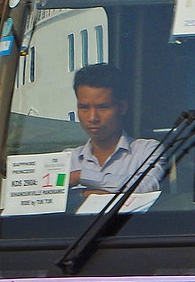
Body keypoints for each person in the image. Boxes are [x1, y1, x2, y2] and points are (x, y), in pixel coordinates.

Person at [66, 62, 163, 208]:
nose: (92, 117)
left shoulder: (147, 150)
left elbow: (145, 188)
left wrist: (80, 176)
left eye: (102, 107)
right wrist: (82, 195)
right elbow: (49, 202)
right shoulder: (67, 159)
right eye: (84, 107)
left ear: (122, 107)